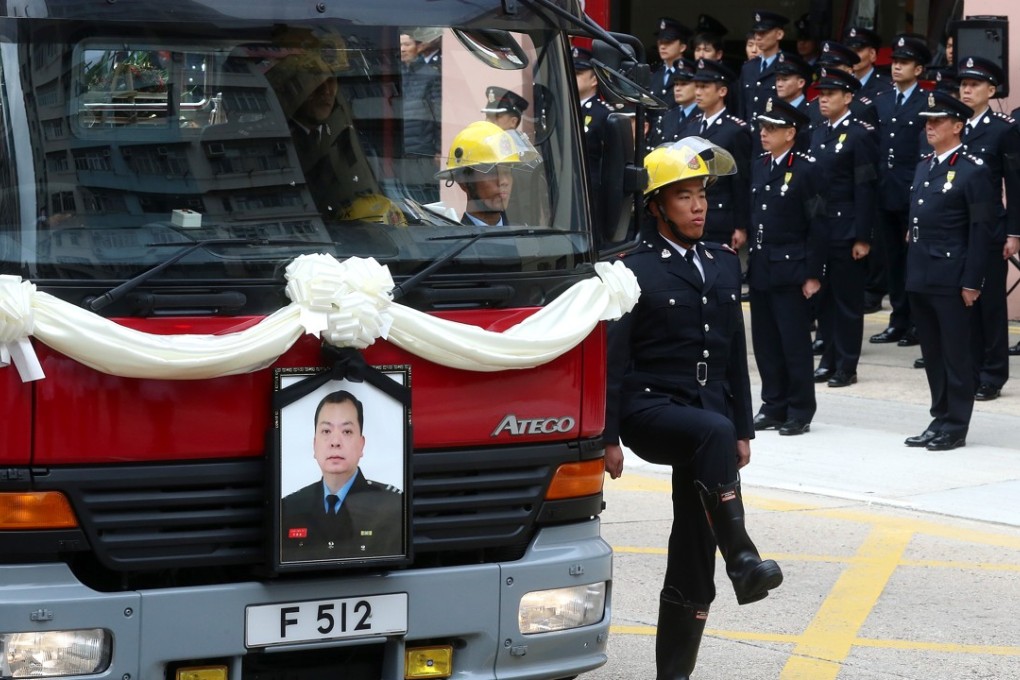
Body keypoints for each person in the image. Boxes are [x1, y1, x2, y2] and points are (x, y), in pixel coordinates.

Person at [604, 137, 783, 680]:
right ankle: (745, 558)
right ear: (656, 205)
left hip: (707, 415)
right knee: (709, 432)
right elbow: (613, 362)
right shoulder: (630, 268)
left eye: (702, 194)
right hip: (649, 408)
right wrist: (607, 436)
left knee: (692, 544)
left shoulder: (724, 262)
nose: (699, 206)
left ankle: (673, 674)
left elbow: (733, 357)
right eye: (683, 196)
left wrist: (744, 430)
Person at [904, 91, 997, 451]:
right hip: (922, 273)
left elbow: (980, 231)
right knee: (933, 353)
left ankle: (956, 423)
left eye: (937, 121)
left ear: (957, 126)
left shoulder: (973, 170)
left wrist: (972, 281)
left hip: (952, 275)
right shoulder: (925, 165)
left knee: (956, 354)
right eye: (927, 121)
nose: (929, 126)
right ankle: (939, 415)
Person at [748, 97, 826, 436]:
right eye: (763, 127)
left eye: (772, 128)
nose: (764, 133)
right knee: (765, 342)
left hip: (792, 267)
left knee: (793, 343)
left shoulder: (807, 168)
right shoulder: (760, 164)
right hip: (763, 264)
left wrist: (813, 273)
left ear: (790, 133)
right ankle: (773, 403)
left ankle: (799, 409)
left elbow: (819, 223)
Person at [954, 56, 1020, 401]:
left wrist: (1014, 231)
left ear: (990, 91)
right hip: (954, 228)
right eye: (963, 84)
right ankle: (969, 367)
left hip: (989, 226)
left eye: (974, 85)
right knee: (961, 302)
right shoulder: (951, 124)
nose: (966, 90)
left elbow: (1015, 182)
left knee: (989, 304)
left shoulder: (1002, 128)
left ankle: (992, 375)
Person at [809, 68, 879, 388]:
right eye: (821, 94)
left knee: (847, 301)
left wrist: (863, 235)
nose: (823, 99)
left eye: (831, 94)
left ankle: (846, 364)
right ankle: (829, 357)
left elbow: (865, 187)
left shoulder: (860, 133)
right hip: (822, 228)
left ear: (848, 97)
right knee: (823, 298)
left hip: (847, 227)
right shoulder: (819, 131)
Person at [281, 390, 403, 561]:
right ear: (314, 445)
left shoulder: (393, 506)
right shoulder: (289, 507)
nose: (335, 442)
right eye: (326, 431)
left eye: (346, 431)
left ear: (361, 445)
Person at [265, 46, 382, 218]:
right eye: (315, 83)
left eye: (331, 81)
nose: (326, 92)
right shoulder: (269, 142)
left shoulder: (351, 137)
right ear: (289, 90)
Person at [869, 36, 932, 349]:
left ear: (918, 69)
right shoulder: (881, 99)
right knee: (892, 260)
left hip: (912, 190)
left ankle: (919, 324)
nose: (896, 67)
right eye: (894, 62)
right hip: (885, 190)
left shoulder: (927, 101)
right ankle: (898, 319)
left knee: (916, 261)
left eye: (904, 63)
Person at [692, 59, 750, 250]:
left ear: (722, 91)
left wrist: (740, 225)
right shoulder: (690, 126)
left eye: (704, 87)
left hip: (720, 218)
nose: (698, 92)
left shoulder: (734, 130)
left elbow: (740, 181)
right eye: (697, 86)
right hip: (691, 214)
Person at [436, 120, 540, 226]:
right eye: (492, 172)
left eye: (507, 171)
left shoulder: (524, 237)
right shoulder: (454, 240)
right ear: (463, 181)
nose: (503, 181)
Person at [648, 18, 693, 151]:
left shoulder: (689, 73)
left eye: (668, 42)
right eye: (660, 42)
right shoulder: (654, 75)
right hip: (655, 138)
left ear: (683, 46)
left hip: (681, 138)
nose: (662, 46)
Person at [737, 10, 787, 127]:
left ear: (779, 34)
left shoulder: (787, 66)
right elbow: (741, 108)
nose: (758, 37)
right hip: (748, 136)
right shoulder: (748, 68)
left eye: (763, 33)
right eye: (756, 33)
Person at [652, 58, 700, 146]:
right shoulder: (668, 116)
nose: (677, 89)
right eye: (676, 84)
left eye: (684, 84)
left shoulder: (703, 116)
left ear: (697, 86)